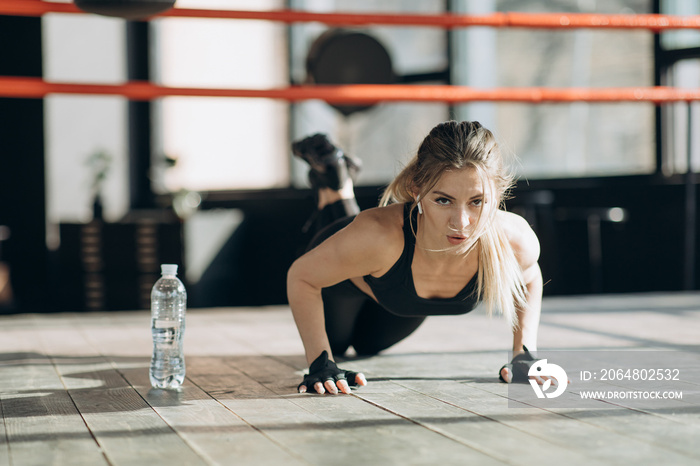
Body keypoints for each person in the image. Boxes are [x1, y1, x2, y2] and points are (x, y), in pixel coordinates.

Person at [287, 121, 544, 395]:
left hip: (398, 296)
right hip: (346, 278)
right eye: (443, 200)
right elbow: (301, 277)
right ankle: (335, 180)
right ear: (416, 190)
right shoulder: (378, 236)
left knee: (367, 347)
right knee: (337, 346)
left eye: (477, 201)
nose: (461, 222)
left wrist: (523, 353)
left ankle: (335, 179)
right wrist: (319, 362)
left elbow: (530, 277)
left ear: (499, 194)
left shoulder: (515, 241)